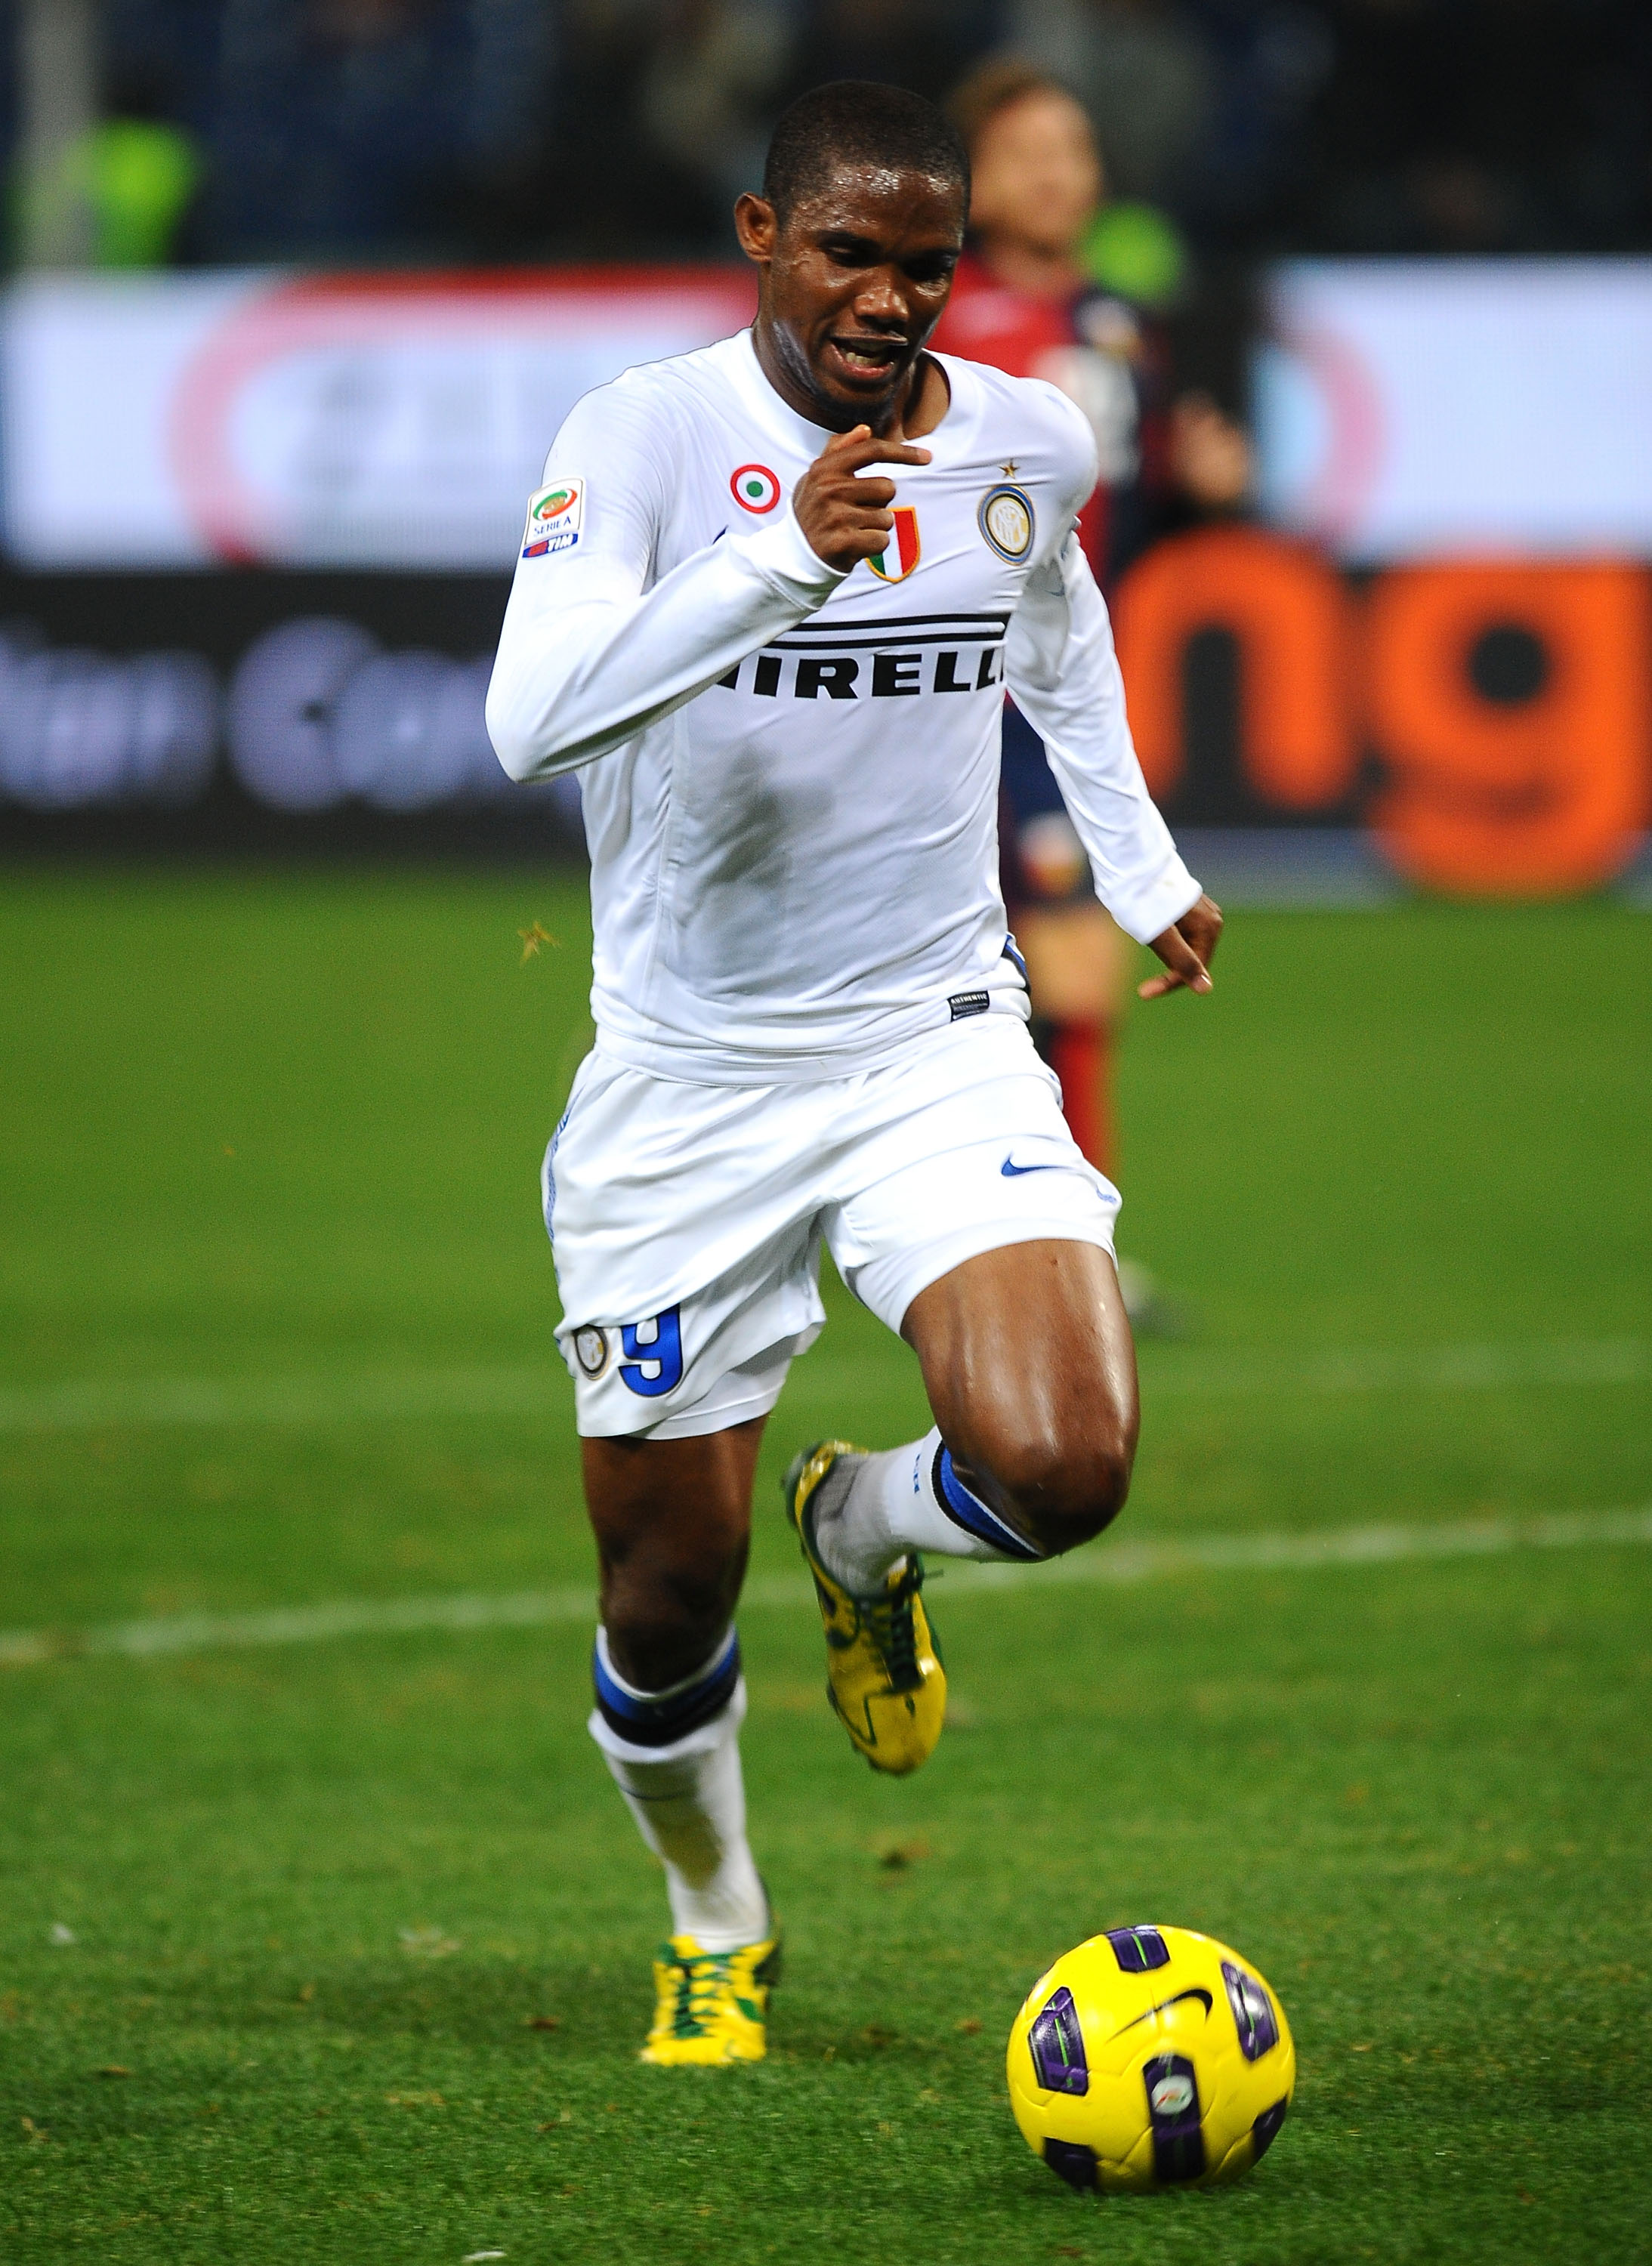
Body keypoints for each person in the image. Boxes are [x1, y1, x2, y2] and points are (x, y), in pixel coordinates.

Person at [486, 79, 1221, 2067]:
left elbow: (1054, 632)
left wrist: (1140, 872)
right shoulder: (643, 438)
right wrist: (772, 569)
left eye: (926, 264)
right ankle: (712, 1914)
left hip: (931, 1043)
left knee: (1063, 1463)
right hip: (685, 1082)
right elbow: (527, 718)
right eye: (851, 256)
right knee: (659, 1586)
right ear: (760, 237)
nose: (892, 300)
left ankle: (867, 1531)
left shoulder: (1025, 439)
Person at [932, 60, 1246, 1295]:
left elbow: (1127, 524)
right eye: (1025, 152)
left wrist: (1201, 495)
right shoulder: (941, 320)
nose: (1055, 172)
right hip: (956, 691)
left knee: (1068, 972)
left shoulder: (1121, 325)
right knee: (1051, 968)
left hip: (1059, 695)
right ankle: (1056, 1251)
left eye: (1072, 147)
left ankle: (1055, 1247)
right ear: (973, 184)